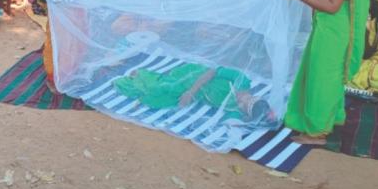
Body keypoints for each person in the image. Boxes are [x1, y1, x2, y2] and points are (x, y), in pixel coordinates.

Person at [279, 0, 371, 144]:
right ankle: (331, 117)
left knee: (321, 79)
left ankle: (317, 131)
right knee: (330, 77)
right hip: (340, 30)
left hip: (332, 32)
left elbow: (330, 5)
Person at [114, 63, 272, 122]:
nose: (240, 101)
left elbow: (231, 120)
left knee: (162, 100)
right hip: (195, 77)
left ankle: (144, 79)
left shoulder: (235, 108)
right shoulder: (241, 80)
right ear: (252, 95)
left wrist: (249, 118)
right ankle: (141, 74)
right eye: (245, 99)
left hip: (196, 94)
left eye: (243, 106)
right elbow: (212, 71)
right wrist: (190, 92)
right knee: (162, 88)